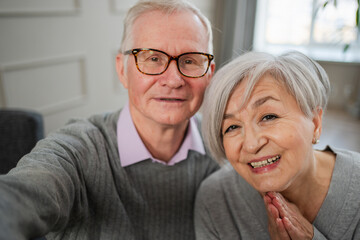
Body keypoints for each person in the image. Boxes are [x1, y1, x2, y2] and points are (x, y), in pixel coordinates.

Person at [0, 0, 219, 239]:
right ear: (122, 70)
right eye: (153, 58)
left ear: (209, 73)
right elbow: (21, 194)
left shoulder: (227, 148)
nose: (174, 79)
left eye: (190, 60)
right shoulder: (79, 149)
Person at [194, 51, 360, 239]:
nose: (251, 145)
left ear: (315, 123)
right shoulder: (216, 199)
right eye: (232, 127)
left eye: (269, 117)